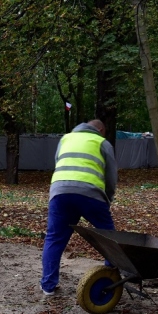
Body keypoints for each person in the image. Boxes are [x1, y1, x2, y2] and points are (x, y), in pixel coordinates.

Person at [41, 119, 118, 296]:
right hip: (91, 194)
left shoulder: (65, 139)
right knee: (109, 237)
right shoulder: (102, 142)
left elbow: (58, 163)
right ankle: (109, 278)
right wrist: (108, 199)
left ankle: (48, 286)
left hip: (60, 193)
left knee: (54, 238)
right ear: (100, 129)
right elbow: (111, 176)